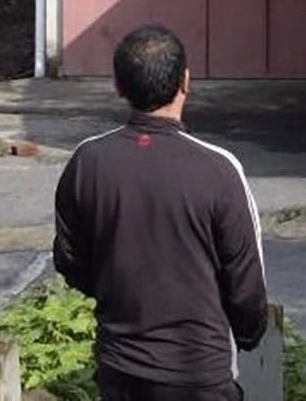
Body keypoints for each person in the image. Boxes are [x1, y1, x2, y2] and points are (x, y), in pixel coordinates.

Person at [53, 24, 268, 401]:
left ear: (118, 86)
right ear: (186, 81)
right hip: (200, 374)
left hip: (120, 370)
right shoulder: (218, 169)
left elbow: (70, 260)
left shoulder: (88, 161)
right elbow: (246, 279)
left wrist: (116, 296)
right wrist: (249, 335)